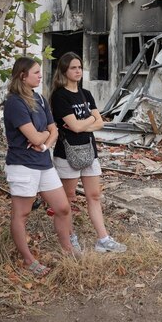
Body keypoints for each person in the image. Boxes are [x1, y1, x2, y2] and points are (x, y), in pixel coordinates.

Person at [4, 57, 75, 277]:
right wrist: (43, 136)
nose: (40, 75)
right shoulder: (15, 102)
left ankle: (68, 251)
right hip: (23, 164)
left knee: (63, 208)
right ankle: (28, 260)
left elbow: (54, 130)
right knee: (22, 214)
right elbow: (36, 136)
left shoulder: (40, 99)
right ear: (22, 76)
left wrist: (44, 143)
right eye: (35, 72)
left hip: (43, 162)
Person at [50, 52, 127, 253]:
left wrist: (86, 123)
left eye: (79, 67)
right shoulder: (60, 96)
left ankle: (103, 239)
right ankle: (70, 238)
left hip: (89, 150)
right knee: (68, 198)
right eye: (73, 68)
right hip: (68, 152)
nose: (78, 71)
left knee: (94, 195)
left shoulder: (86, 94)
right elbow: (76, 127)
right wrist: (90, 120)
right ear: (64, 71)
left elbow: (99, 123)